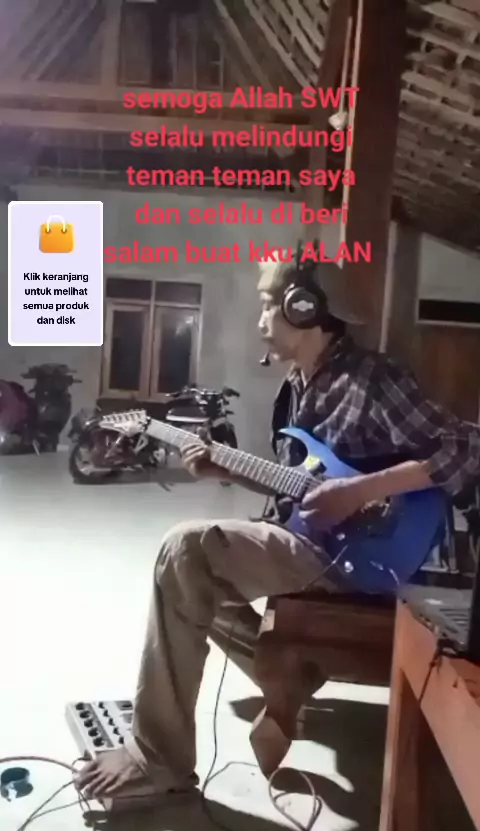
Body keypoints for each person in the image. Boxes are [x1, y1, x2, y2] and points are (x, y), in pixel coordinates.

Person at [76, 250, 480, 801]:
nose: (261, 318)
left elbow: (466, 448)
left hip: (360, 552)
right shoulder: (296, 385)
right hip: (314, 539)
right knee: (196, 581)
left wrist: (360, 491)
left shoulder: (371, 378)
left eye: (270, 305)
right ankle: (291, 676)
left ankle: (159, 760)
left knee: (184, 552)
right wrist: (221, 467)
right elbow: (299, 486)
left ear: (305, 308)